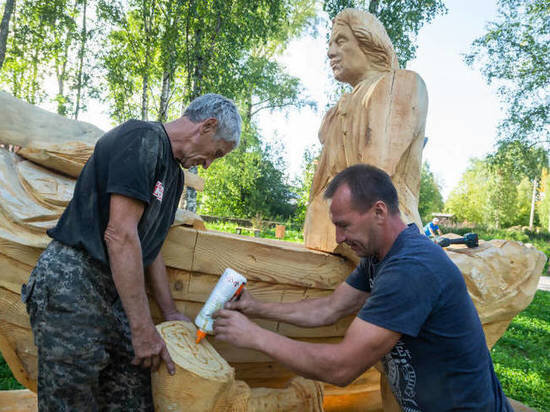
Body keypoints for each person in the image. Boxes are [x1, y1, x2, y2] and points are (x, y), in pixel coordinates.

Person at [214, 164, 513, 411]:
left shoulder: (410, 269)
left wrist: (253, 336)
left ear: (379, 212)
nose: (339, 238)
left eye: (344, 225)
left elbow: (341, 368)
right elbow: (329, 309)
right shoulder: (378, 257)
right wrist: (256, 307)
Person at [21, 93, 242, 411]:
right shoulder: (141, 138)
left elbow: (149, 246)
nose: (208, 163)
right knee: (71, 401)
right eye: (216, 153)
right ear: (207, 125)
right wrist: (141, 328)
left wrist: (169, 313)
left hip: (116, 293)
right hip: (73, 280)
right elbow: (120, 235)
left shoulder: (175, 177)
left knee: (135, 398)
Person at [303, 9, 428, 255]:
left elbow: (375, 175)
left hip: (381, 241)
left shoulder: (400, 85)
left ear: (368, 42)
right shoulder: (339, 108)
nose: (330, 52)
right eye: (330, 44)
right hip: (329, 234)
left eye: (340, 41)